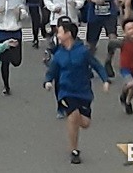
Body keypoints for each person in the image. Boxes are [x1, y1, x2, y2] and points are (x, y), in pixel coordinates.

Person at [44, 19, 110, 165]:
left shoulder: (83, 52)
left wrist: (105, 80)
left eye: (60, 32)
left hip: (83, 91)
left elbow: (97, 66)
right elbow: (52, 70)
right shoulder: (59, 54)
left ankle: (74, 119)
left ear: (68, 34)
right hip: (66, 91)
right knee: (73, 115)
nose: (58, 35)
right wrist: (48, 81)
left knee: (85, 123)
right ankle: (74, 150)